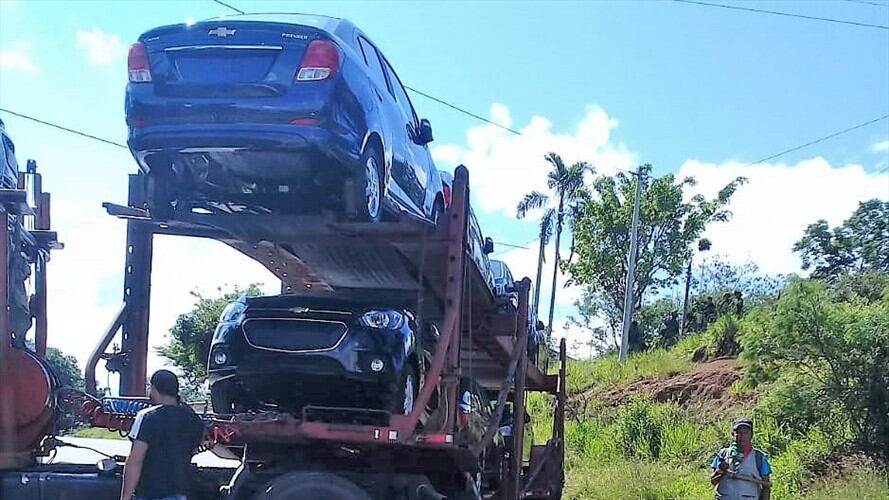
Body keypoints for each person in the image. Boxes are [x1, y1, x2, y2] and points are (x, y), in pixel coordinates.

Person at [120, 370, 205, 500]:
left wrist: (125, 497)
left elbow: (136, 460)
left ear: (154, 388)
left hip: (150, 493)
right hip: (180, 493)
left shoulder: (147, 416)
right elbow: (195, 450)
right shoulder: (194, 420)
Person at [710, 418, 772, 500]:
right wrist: (721, 471)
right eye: (738, 433)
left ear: (751, 435)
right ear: (733, 434)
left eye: (746, 433)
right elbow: (713, 481)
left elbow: (766, 486)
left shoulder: (759, 457)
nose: (742, 436)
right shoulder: (723, 454)